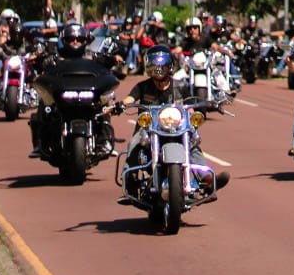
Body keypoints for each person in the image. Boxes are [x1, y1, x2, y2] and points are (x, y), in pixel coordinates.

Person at [117, 48, 230, 190]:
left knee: (192, 143)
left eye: (162, 68)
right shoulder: (143, 86)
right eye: (155, 68)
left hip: (176, 128)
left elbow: (192, 103)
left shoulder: (181, 86)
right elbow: (130, 98)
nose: (159, 72)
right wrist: (120, 105)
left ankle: (206, 178)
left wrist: (204, 105)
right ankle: (129, 178)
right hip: (148, 130)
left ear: (169, 68)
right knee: (135, 142)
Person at [28, 21, 119, 159]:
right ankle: (40, 143)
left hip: (89, 94)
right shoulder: (56, 57)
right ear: (64, 40)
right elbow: (41, 64)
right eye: (71, 39)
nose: (75, 41)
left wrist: (113, 59)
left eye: (79, 39)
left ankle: (104, 140)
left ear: (85, 40)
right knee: (44, 103)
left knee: (106, 103)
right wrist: (38, 59)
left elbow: (107, 63)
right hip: (63, 95)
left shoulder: (92, 56)